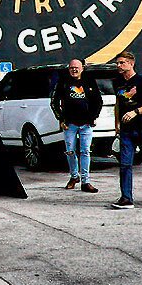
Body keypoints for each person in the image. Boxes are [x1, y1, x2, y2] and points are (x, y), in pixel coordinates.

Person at [110, 51, 142, 209]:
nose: (119, 66)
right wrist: (117, 123)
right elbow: (118, 104)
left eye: (122, 63)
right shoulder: (117, 82)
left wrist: (136, 111)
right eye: (117, 63)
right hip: (126, 131)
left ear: (131, 63)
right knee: (125, 164)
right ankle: (126, 198)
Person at [51, 59, 102, 193]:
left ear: (82, 68)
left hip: (86, 124)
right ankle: (74, 177)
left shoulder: (89, 81)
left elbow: (98, 101)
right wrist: (60, 119)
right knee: (70, 151)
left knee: (85, 151)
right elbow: (54, 102)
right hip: (69, 124)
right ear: (69, 69)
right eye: (71, 67)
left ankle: (86, 182)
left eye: (77, 67)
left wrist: (93, 116)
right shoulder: (63, 82)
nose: (74, 70)